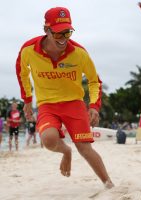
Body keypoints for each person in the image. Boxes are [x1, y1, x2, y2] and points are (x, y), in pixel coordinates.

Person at [16, 7, 114, 188]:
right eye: (58, 34)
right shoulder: (29, 50)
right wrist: (27, 100)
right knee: (48, 139)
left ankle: (108, 184)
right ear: (46, 30)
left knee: (85, 148)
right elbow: (22, 74)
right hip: (47, 104)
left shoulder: (79, 53)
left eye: (67, 33)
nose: (64, 39)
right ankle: (66, 152)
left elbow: (94, 81)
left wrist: (94, 106)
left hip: (74, 104)